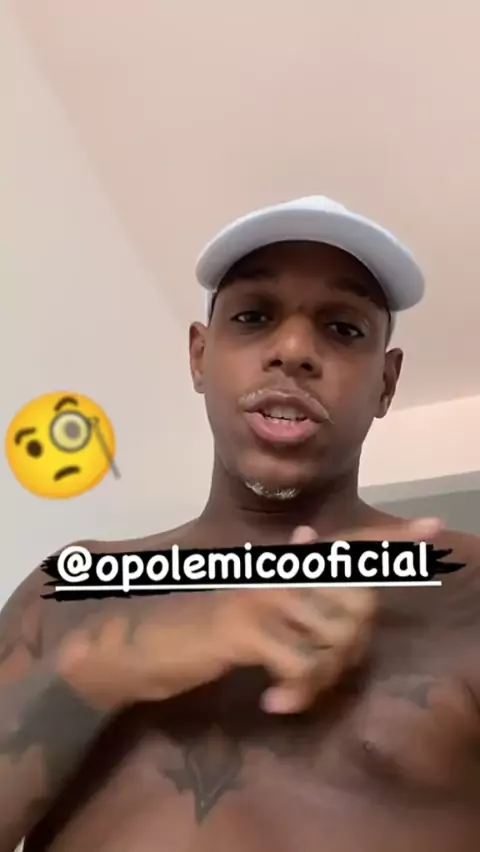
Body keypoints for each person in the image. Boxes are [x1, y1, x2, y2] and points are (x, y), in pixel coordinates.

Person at [1, 195, 479, 852]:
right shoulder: (68, 590)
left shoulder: (467, 588)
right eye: (254, 316)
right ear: (199, 356)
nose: (293, 349)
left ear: (387, 383)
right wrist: (100, 670)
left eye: (344, 329)